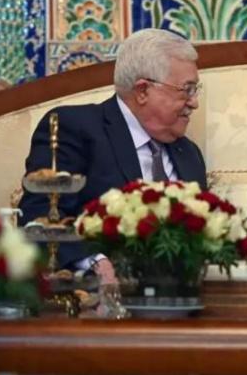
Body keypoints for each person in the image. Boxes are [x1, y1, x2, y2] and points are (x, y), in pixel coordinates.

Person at [19, 28, 206, 283]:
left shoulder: (189, 154)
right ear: (143, 90)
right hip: (96, 295)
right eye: (187, 89)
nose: (194, 102)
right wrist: (93, 262)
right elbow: (39, 216)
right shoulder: (74, 128)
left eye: (195, 90)